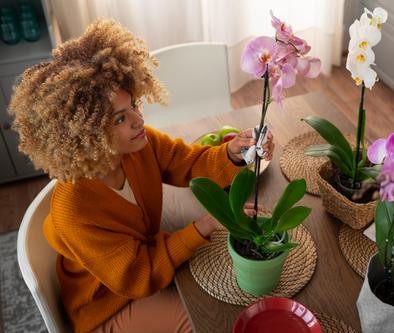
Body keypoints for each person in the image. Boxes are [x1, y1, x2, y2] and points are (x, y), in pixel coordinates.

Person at [8, 20, 274, 333]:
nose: (139, 120)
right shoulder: (75, 211)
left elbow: (187, 163)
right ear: (85, 133)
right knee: (212, 321)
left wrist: (233, 153)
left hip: (149, 259)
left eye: (133, 105)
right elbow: (136, 277)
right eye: (121, 118)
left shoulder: (138, 146)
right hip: (108, 306)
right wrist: (204, 225)